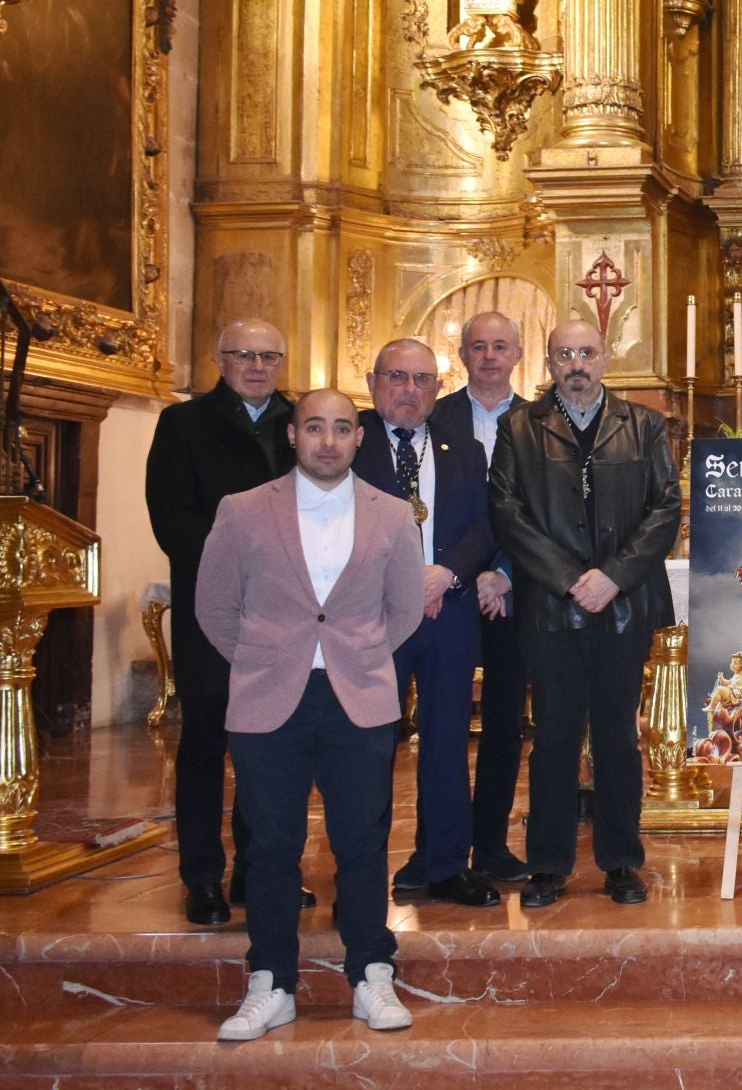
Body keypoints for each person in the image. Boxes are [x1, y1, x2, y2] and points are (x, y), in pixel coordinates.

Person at [197, 389, 424, 1041]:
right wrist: (265, 658)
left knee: (362, 840)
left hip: (359, 697)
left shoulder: (390, 514)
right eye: (315, 426)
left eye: (343, 428)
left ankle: (371, 973)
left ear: (360, 438)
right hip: (271, 698)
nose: (329, 439)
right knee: (269, 846)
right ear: (293, 434)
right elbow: (215, 605)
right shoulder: (243, 511)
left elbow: (403, 608)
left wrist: (355, 653)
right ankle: (271, 981)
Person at [489, 319, 679, 908]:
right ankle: (548, 864)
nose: (576, 363)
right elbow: (507, 510)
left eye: (587, 353)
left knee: (619, 737)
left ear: (606, 358)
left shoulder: (643, 425)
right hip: (551, 608)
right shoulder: (519, 427)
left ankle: (621, 860)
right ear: (547, 362)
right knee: (554, 738)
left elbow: (665, 508)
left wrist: (614, 577)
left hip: (623, 607)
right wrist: (572, 579)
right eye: (564, 353)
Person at [144, 318, 307, 926]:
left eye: (270, 355)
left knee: (272, 749)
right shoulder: (183, 424)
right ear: (220, 358)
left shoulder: (302, 422)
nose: (258, 365)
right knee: (206, 745)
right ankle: (203, 877)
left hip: (287, 613)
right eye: (244, 354)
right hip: (212, 611)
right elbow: (172, 517)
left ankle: (259, 870)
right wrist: (235, 570)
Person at [352, 339, 499, 908]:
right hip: (371, 619)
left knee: (445, 743)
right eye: (397, 377)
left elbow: (486, 528)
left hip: (448, 614)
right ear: (373, 382)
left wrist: (446, 575)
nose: (409, 389)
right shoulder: (351, 442)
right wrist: (403, 583)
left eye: (421, 379)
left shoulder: (463, 449)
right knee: (368, 749)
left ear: (438, 388)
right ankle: (361, 877)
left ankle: (445, 867)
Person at [430, 310, 530, 883]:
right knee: (442, 724)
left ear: (518, 355)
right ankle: (437, 851)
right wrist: (464, 573)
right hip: (448, 590)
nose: (489, 356)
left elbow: (546, 513)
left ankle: (491, 845)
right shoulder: (435, 415)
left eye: (500, 345)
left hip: (513, 594)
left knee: (503, 724)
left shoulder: (540, 421)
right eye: (478, 346)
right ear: (462, 356)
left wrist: (505, 573)